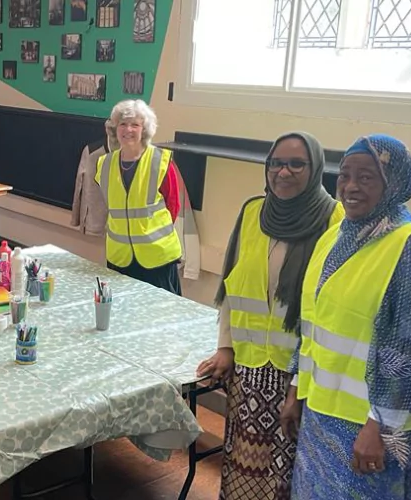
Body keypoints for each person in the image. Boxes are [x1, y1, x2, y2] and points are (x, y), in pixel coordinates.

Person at [283, 134, 411, 500]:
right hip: (320, 414)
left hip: (370, 427)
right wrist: (297, 387)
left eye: (367, 177)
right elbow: (311, 324)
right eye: (344, 175)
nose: (351, 187)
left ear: (394, 184)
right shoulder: (334, 238)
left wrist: (381, 427)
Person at [196, 132, 343, 498]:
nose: (284, 172)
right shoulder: (252, 212)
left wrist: (299, 379)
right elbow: (233, 285)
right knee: (243, 463)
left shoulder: (332, 219)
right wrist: (226, 347)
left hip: (294, 375)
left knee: (286, 469)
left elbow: (326, 309)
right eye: (276, 163)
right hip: (248, 370)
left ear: (315, 169)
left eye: (296, 164)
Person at [95, 99, 184, 295]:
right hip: (120, 257)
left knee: (159, 317)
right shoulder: (104, 164)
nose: (128, 130)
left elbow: (173, 205)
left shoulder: (160, 160)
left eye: (135, 124)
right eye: (123, 124)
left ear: (144, 129)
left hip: (157, 258)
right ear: (115, 129)